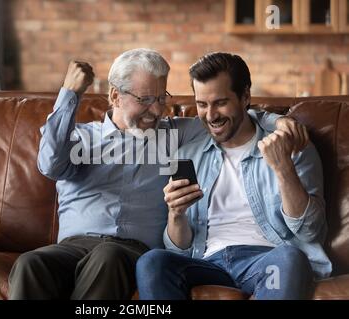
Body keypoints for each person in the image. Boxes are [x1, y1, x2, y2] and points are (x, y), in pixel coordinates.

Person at [8, 49, 307, 300]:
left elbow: (232, 116)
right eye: (145, 100)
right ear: (115, 96)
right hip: (73, 246)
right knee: (29, 263)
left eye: (161, 98)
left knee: (107, 257)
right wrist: (70, 93)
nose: (156, 111)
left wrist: (280, 121)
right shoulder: (82, 139)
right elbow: (49, 164)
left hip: (129, 251)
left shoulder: (175, 134)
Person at [136, 52, 332, 300]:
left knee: (290, 257)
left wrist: (283, 169)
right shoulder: (189, 155)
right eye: (202, 104)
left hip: (267, 259)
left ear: (245, 97)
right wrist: (176, 214)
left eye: (220, 102)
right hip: (208, 263)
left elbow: (310, 232)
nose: (210, 115)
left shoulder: (292, 147)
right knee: (152, 262)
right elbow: (181, 250)